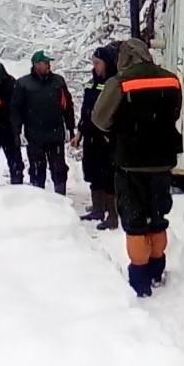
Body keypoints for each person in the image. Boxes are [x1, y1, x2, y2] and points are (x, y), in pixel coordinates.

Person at [92, 38, 183, 298]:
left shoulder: (120, 82)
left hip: (131, 162)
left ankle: (140, 279)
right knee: (157, 216)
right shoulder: (171, 79)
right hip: (163, 161)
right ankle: (157, 267)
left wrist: (121, 131)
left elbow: (99, 119)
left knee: (134, 220)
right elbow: (174, 113)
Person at [11, 50, 75, 195]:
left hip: (55, 133)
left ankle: (60, 198)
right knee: (36, 169)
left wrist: (70, 128)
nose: (47, 65)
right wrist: (17, 131)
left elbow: (67, 105)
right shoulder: (23, 84)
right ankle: (38, 200)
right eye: (44, 63)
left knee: (59, 169)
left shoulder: (58, 81)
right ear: (36, 64)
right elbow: (15, 109)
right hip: (34, 135)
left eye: (48, 63)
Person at [72, 43, 120, 230]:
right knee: (93, 173)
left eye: (98, 63)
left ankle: (112, 214)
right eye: (94, 63)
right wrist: (80, 132)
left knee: (108, 176)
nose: (95, 67)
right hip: (91, 138)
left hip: (106, 139)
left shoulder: (113, 83)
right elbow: (86, 110)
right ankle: (98, 208)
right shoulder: (94, 83)